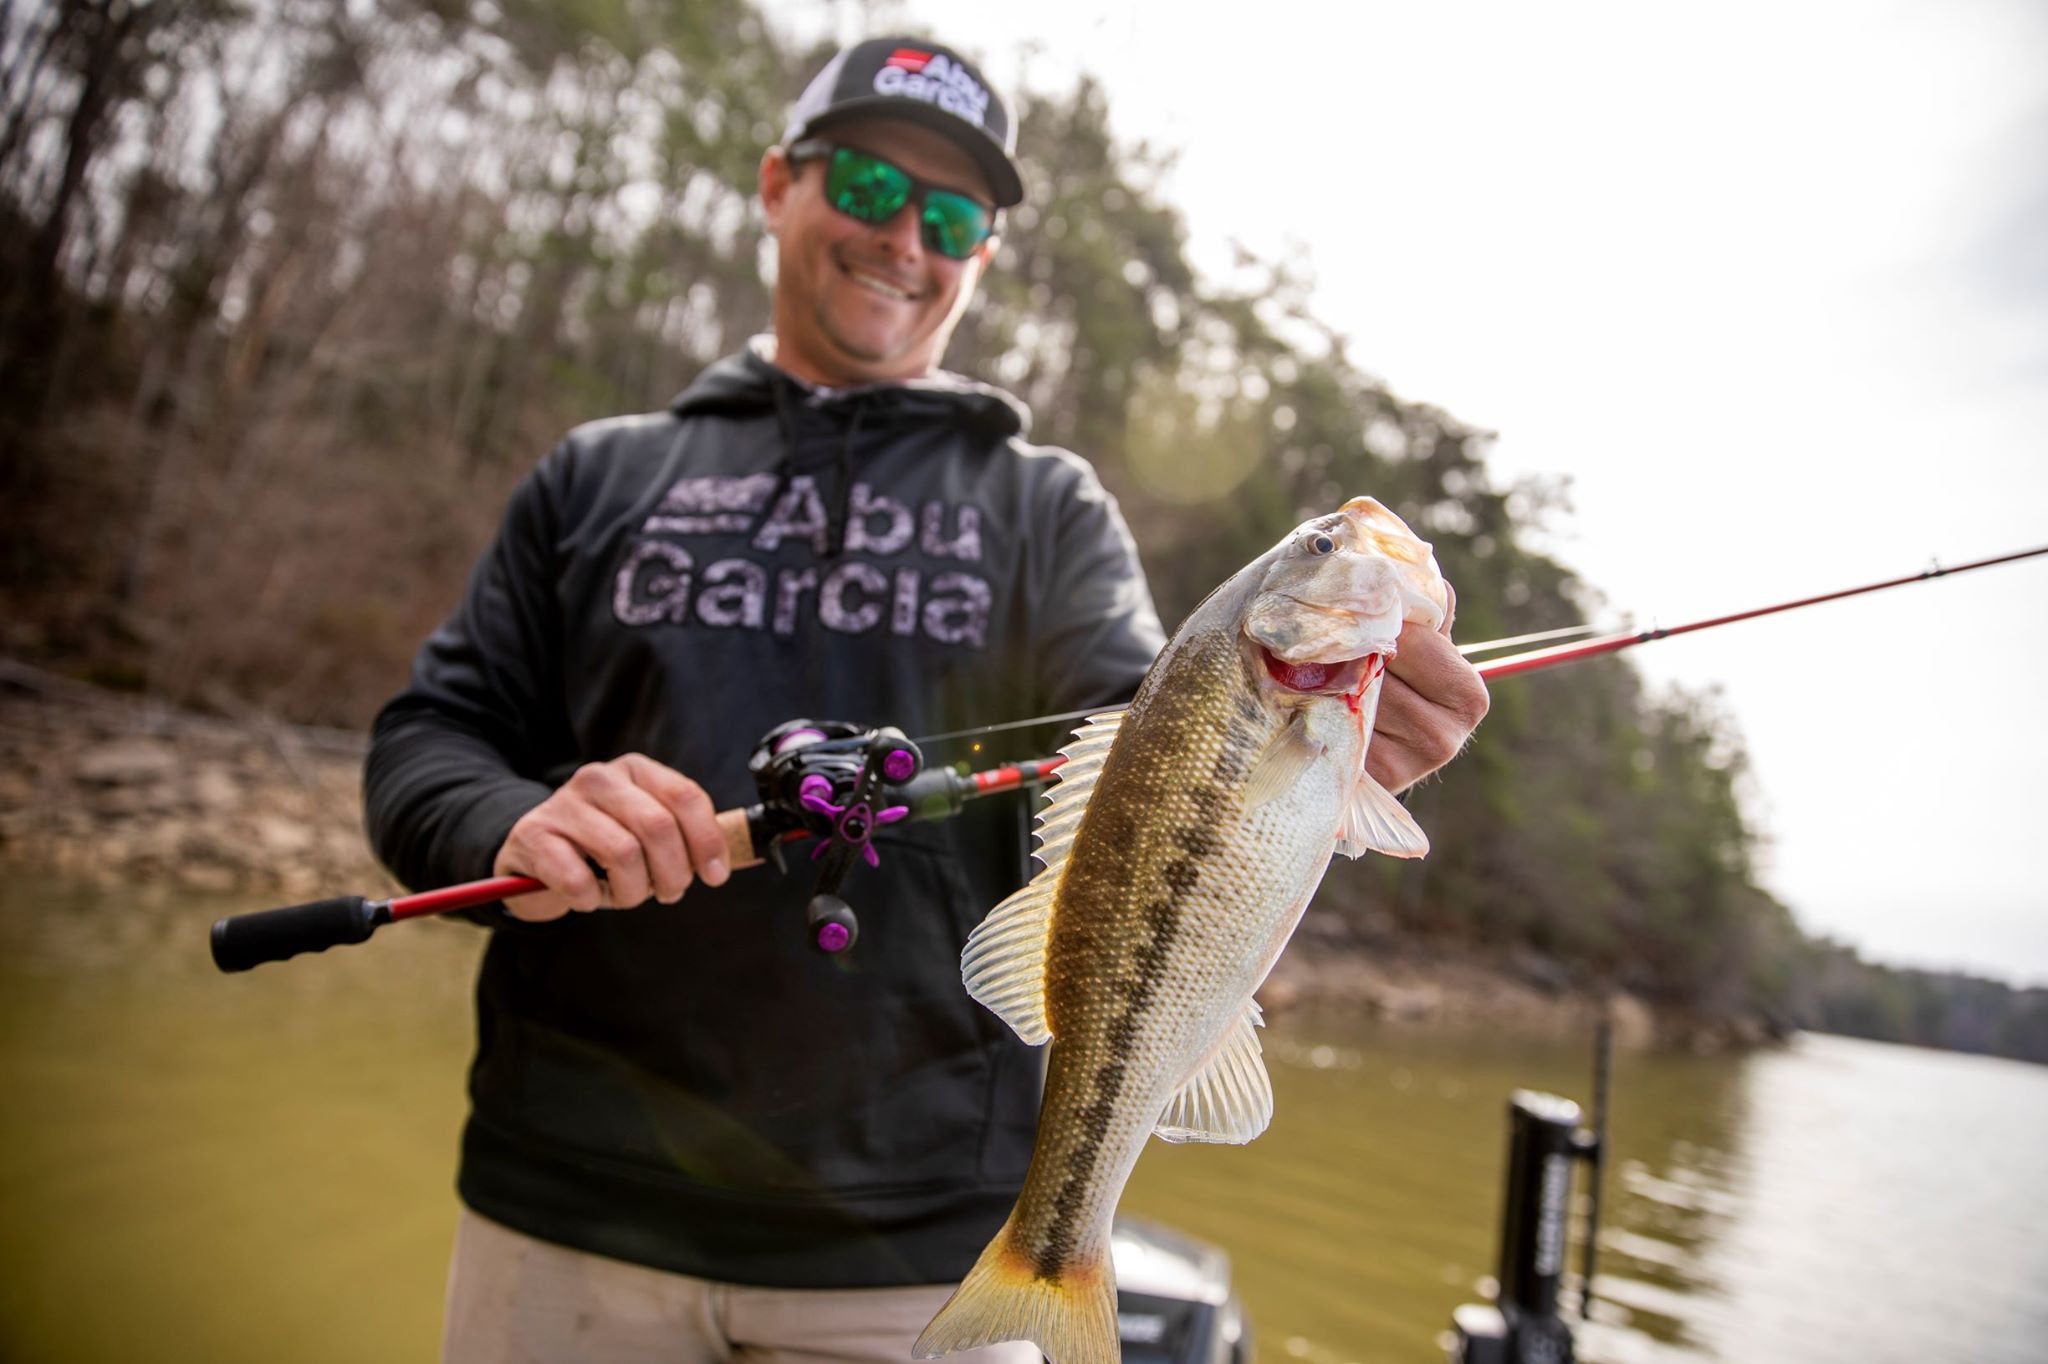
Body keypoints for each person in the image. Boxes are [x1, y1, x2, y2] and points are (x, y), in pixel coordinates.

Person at [363, 33, 1489, 1364]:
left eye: (951, 215)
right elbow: (425, 743)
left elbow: (1145, 748)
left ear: (983, 258)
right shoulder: (596, 476)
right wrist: (513, 819)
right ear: (779, 184)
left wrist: (1341, 755)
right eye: (866, 187)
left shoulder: (1044, 507)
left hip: (919, 1249)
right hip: (564, 1213)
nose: (905, 236)